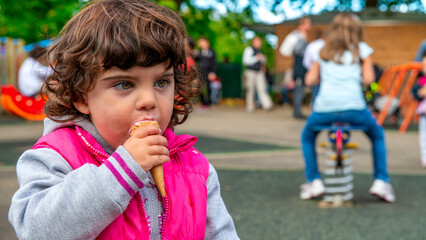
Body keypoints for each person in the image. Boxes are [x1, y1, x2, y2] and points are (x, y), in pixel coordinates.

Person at [8, 1, 240, 239]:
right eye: (124, 84)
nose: (149, 100)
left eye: (161, 82)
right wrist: (122, 170)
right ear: (80, 96)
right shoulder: (55, 157)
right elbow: (36, 229)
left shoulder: (196, 168)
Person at [300, 13, 395, 203]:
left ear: (333, 30)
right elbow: (369, 79)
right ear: (357, 31)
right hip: (354, 109)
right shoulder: (361, 50)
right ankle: (381, 181)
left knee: (307, 136)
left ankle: (314, 182)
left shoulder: (323, 51)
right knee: (376, 134)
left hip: (324, 110)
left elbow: (309, 79)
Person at [279, 17, 311, 119]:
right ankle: (297, 113)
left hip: (303, 64)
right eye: (308, 23)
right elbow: (284, 50)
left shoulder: (302, 35)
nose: (310, 25)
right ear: (302, 24)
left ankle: (298, 111)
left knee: (301, 88)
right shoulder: (295, 36)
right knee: (299, 87)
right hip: (299, 64)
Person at [242, 36, 273, 112]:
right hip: (250, 72)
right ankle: (250, 106)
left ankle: (267, 105)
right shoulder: (249, 50)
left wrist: (263, 59)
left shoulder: (260, 51)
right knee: (250, 89)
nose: (259, 43)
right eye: (258, 42)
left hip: (259, 72)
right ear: (253, 43)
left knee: (262, 88)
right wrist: (256, 58)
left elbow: (263, 62)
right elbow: (245, 61)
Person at [411, 51, 426, 168]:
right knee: (423, 137)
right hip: (424, 114)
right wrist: (419, 92)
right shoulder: (421, 81)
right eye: (424, 65)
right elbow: (415, 94)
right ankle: (424, 157)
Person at [194, 36, 217, 111]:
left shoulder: (211, 52)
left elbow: (214, 63)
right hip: (200, 73)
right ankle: (202, 103)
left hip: (208, 73)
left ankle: (207, 104)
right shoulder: (198, 52)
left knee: (208, 88)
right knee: (200, 88)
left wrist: (213, 72)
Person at [303, 30, 324, 105]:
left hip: (313, 69)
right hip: (324, 71)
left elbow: (305, 62)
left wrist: (312, 69)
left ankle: (315, 105)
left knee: (315, 90)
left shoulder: (310, 46)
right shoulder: (325, 45)